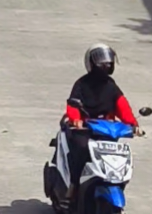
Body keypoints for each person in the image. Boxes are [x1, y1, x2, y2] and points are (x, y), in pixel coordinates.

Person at [61, 45, 142, 203]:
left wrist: (133, 124)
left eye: (108, 62)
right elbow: (72, 106)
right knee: (82, 149)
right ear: (90, 63)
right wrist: (76, 120)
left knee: (118, 154)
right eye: (100, 62)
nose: (105, 66)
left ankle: (114, 182)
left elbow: (122, 106)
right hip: (84, 129)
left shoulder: (111, 85)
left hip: (106, 129)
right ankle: (74, 184)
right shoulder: (82, 84)